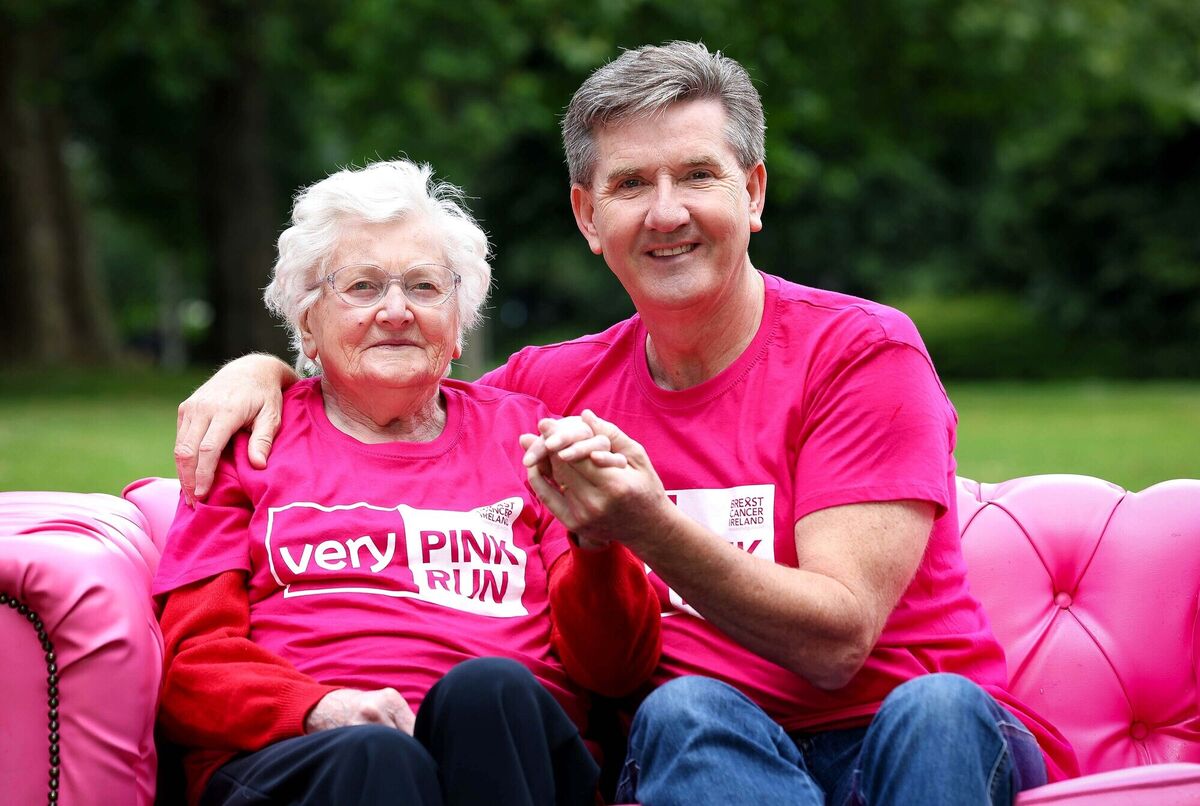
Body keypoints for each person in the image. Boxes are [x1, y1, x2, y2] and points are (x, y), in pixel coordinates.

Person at [173, 42, 1078, 806]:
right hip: (708, 754)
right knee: (683, 711)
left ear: (754, 193)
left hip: (901, 739)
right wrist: (269, 370)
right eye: (631, 183)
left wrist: (643, 523)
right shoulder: (548, 392)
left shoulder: (859, 352)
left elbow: (838, 641)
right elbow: (406, 385)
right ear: (587, 215)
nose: (667, 212)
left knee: (939, 709)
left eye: (697, 175)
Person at [154, 158, 660, 806]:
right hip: (307, 760)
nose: (395, 311)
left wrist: (596, 541)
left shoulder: (531, 440)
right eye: (362, 287)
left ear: (457, 325)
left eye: (424, 288)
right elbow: (191, 666)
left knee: (490, 692)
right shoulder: (249, 448)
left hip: (511, 764)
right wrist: (317, 708)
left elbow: (616, 669)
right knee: (375, 757)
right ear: (307, 323)